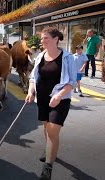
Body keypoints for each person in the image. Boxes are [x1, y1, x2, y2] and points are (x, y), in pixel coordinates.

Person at [25, 27, 76, 180]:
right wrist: (30, 92)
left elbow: (72, 82)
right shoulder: (40, 56)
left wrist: (59, 95)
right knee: (47, 128)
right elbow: (33, 78)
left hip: (60, 99)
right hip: (42, 98)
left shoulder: (67, 58)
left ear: (55, 39)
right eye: (42, 38)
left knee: (53, 130)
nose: (42, 41)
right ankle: (50, 150)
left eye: (45, 38)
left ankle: (48, 166)